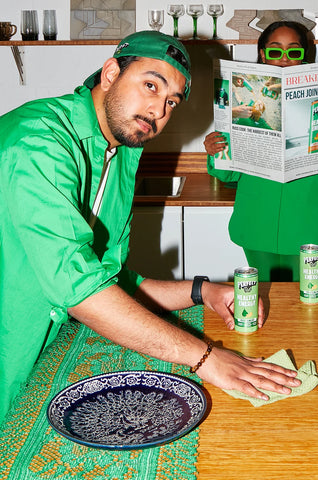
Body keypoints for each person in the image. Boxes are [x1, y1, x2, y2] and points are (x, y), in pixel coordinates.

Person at [0, 31, 301, 424]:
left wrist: (202, 291)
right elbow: (77, 287)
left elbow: (111, 280)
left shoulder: (122, 153)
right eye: (150, 85)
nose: (158, 110)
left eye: (171, 101)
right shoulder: (39, 141)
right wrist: (205, 356)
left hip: (41, 353)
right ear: (110, 73)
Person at [204, 21, 318, 281]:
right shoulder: (245, 103)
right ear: (263, 54)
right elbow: (228, 176)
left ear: (305, 56)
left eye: (294, 51)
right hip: (256, 223)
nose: (284, 59)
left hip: (306, 226)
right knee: (259, 298)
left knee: (303, 302)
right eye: (276, 51)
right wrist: (215, 151)